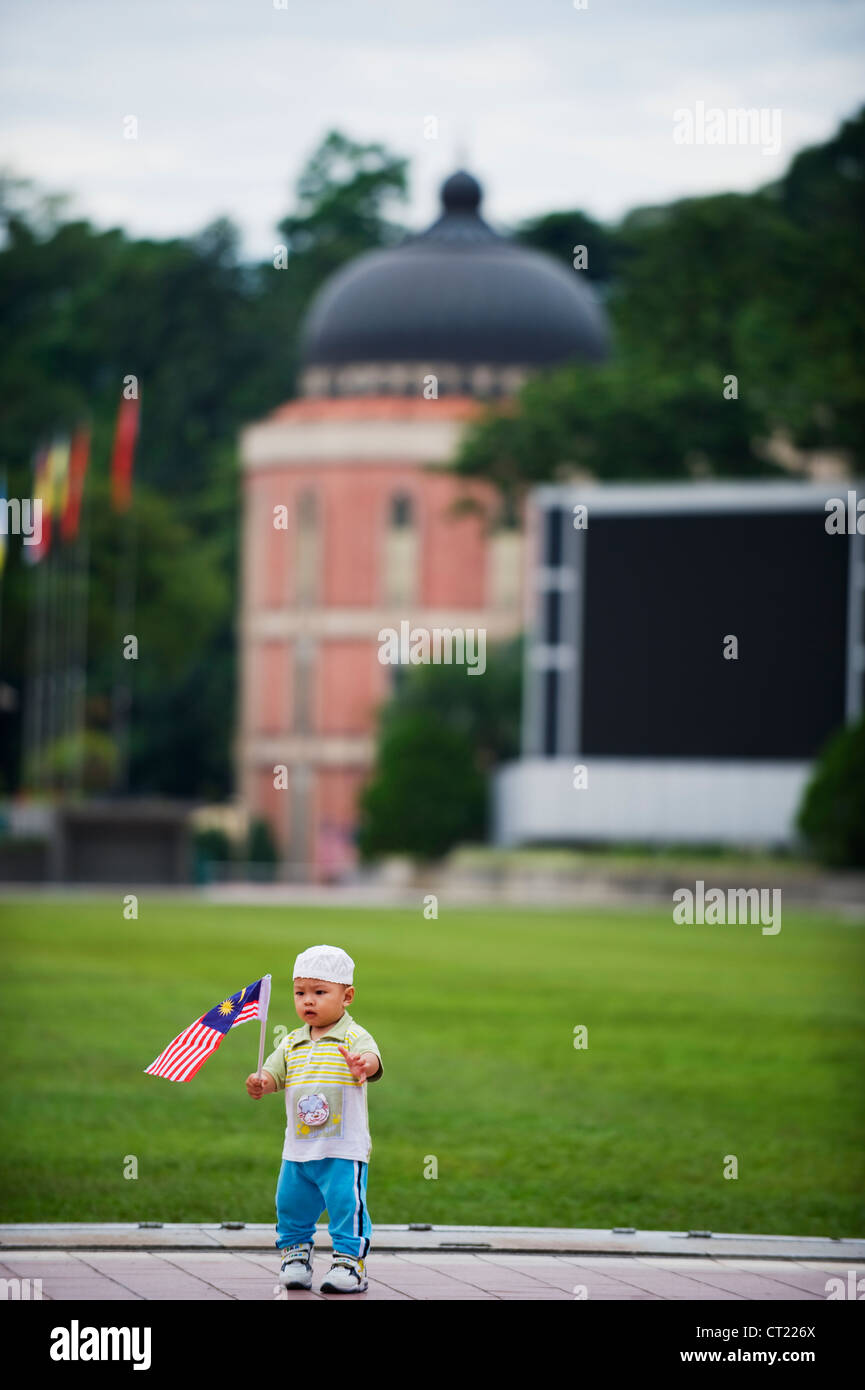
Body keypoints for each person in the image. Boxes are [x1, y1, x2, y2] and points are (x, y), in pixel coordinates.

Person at [246, 944, 382, 1294]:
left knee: (346, 1205)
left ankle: (350, 1262)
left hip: (342, 1146)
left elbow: (372, 1059)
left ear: (347, 996)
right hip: (299, 1147)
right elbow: (275, 1074)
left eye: (320, 993)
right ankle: (295, 1255)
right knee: (290, 1204)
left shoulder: (353, 1036)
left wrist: (362, 1065)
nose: (308, 1001)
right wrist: (262, 1082)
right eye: (300, 992)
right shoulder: (291, 1042)